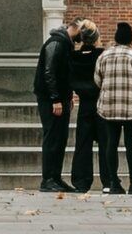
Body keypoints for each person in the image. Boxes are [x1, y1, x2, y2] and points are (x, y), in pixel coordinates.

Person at [93, 20, 132, 194]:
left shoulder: (104, 56)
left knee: (111, 144)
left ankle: (114, 183)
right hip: (130, 108)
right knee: (130, 145)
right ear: (130, 39)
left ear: (116, 38)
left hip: (109, 107)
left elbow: (97, 80)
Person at [38, 14, 92, 192]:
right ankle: (48, 179)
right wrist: (55, 99)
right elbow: (49, 72)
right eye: (81, 33)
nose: (81, 39)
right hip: (52, 100)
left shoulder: (65, 44)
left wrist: (67, 98)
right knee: (52, 138)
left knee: (60, 139)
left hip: (61, 98)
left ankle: (55, 177)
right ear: (76, 28)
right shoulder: (56, 43)